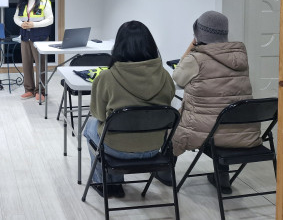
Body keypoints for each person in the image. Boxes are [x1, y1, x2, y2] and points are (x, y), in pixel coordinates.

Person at [169, 10, 261, 194]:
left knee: (172, 125)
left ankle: (165, 173)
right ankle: (222, 178)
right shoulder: (239, 57)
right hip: (244, 133)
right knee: (222, 114)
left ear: (199, 33)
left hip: (208, 134)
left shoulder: (195, 59)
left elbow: (177, 78)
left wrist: (192, 47)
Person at [83, 21, 175, 198]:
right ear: (150, 45)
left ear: (119, 46)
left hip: (116, 149)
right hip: (154, 147)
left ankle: (106, 184)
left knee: (91, 126)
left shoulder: (107, 77)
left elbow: (99, 114)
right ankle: (114, 182)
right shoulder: (165, 76)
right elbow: (166, 109)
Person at [13, 0, 53, 101]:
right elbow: (16, 17)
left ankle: (40, 91)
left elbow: (50, 20)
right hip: (25, 37)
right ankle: (29, 90)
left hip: (40, 38)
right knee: (26, 64)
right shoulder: (22, 2)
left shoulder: (44, 2)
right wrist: (21, 24)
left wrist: (34, 25)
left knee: (40, 65)